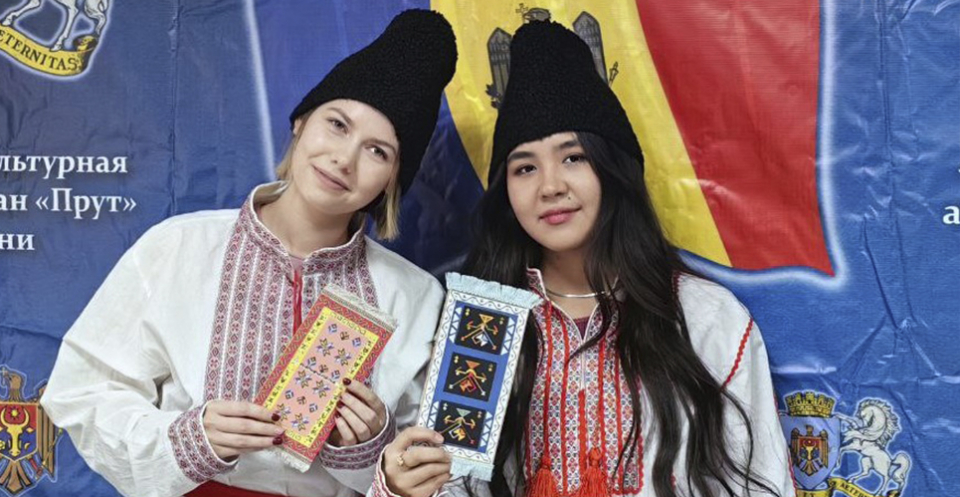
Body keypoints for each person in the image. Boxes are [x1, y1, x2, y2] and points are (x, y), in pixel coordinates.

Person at [40, 9, 457, 497]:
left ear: (392, 181)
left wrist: (372, 448)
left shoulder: (416, 296)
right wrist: (189, 440)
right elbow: (83, 391)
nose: (344, 159)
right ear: (301, 122)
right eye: (337, 125)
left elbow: (439, 465)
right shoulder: (178, 247)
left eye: (378, 151)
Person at [371, 20, 794, 497]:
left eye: (573, 157)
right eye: (525, 167)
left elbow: (763, 481)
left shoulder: (704, 317)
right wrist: (399, 487)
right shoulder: (482, 326)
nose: (550, 186)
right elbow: (452, 486)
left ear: (613, 167)